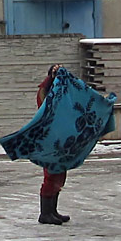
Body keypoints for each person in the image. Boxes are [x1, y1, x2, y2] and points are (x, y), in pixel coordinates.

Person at [37, 64, 70, 225]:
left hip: (61, 138)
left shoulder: (64, 92)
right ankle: (45, 213)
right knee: (51, 175)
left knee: (60, 174)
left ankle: (52, 211)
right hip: (50, 138)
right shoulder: (45, 92)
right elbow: (46, 112)